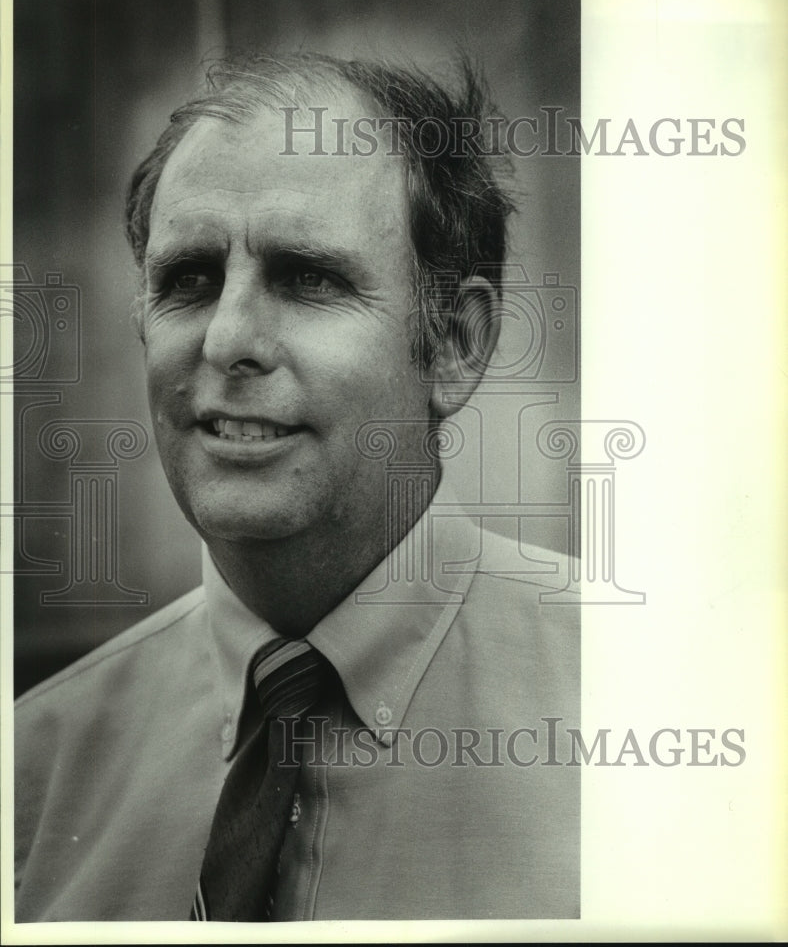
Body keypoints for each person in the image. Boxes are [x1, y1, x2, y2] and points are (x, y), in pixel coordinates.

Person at [14, 52, 579, 922]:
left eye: (308, 278)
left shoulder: (646, 707)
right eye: (189, 280)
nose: (227, 339)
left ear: (457, 344)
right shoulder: (35, 768)